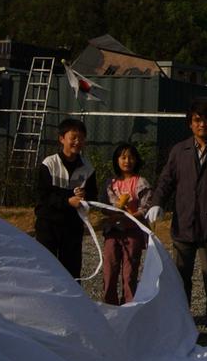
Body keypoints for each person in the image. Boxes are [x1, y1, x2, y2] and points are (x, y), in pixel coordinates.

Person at [147, 98, 207, 341]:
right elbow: (166, 181)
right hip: (184, 225)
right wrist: (157, 202)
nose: (202, 124)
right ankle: (181, 322)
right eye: (197, 120)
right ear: (190, 124)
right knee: (180, 278)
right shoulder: (179, 151)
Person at [34, 118, 97, 279]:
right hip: (49, 225)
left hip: (72, 227)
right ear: (62, 138)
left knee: (71, 271)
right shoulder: (49, 164)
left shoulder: (88, 168)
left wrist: (85, 197)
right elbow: (43, 196)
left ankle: (72, 303)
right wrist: (67, 201)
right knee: (45, 269)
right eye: (73, 137)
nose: (77, 142)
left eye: (81, 138)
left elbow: (92, 195)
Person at [102, 142, 152, 305]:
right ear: (116, 160)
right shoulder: (110, 183)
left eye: (131, 157)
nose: (127, 161)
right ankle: (109, 304)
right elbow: (104, 206)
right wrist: (115, 211)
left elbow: (146, 207)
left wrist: (133, 215)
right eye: (123, 157)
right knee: (110, 269)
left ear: (136, 160)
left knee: (129, 272)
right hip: (112, 231)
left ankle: (129, 306)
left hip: (132, 232)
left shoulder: (141, 182)